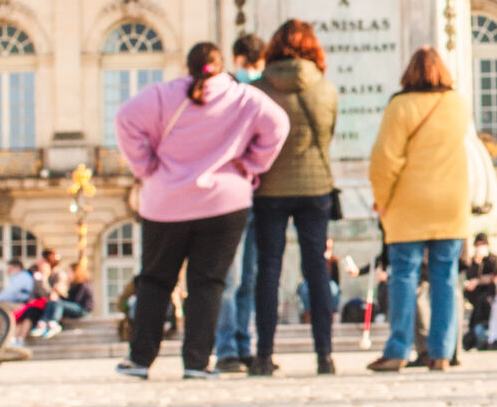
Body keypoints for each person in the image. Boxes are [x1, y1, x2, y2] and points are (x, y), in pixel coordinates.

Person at [114, 42, 289, 379]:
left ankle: (140, 359)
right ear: (222, 66)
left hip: (166, 202)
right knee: (207, 283)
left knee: (154, 280)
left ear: (188, 67)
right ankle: (196, 361)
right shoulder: (242, 97)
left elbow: (124, 119)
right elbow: (278, 124)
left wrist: (145, 166)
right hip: (224, 203)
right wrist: (252, 164)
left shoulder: (162, 95)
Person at [367, 46, 470, 373]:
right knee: (445, 278)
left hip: (409, 202)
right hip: (451, 202)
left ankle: (398, 349)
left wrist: (381, 200)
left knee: (404, 277)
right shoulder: (458, 104)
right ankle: (441, 352)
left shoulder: (400, 106)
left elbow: (385, 159)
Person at [252, 20, 339, 377]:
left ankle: (264, 354)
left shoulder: (258, 89)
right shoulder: (326, 89)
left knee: (268, 270)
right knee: (317, 270)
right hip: (315, 185)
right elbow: (328, 134)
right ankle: (325, 355)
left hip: (270, 187)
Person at [214, 33, 266, 373]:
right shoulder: (227, 94)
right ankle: (227, 348)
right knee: (232, 280)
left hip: (254, 195)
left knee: (247, 278)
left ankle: (242, 345)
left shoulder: (262, 92)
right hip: (232, 195)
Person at [32, 258, 94, 338]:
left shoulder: (83, 284)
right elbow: (69, 300)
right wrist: (58, 297)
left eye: (69, 271)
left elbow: (75, 300)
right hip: (76, 306)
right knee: (52, 302)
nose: (67, 274)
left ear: (75, 273)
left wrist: (60, 299)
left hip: (83, 309)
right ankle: (43, 323)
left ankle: (53, 323)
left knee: (58, 303)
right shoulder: (73, 284)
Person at [463, 233, 497, 351]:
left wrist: (477, 281)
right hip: (476, 298)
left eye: (482, 244)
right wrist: (476, 263)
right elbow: (468, 276)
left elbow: (495, 276)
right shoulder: (473, 261)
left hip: (489, 298)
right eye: (477, 245)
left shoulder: (493, 259)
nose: (480, 247)